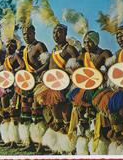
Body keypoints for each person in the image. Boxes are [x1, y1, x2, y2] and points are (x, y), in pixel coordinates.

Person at [67, 30, 112, 155]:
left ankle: (99, 147)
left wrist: (103, 74)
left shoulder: (104, 53)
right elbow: (76, 71)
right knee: (81, 115)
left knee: (99, 116)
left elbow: (111, 70)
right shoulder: (82, 56)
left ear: (96, 42)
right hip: (84, 88)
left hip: (100, 89)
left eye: (90, 42)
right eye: (85, 42)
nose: (87, 44)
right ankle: (82, 148)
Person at [39, 24, 79, 154]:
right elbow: (49, 66)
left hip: (65, 86)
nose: (56, 35)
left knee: (66, 114)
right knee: (56, 117)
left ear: (65, 33)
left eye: (59, 32)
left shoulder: (70, 49)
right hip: (53, 86)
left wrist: (67, 74)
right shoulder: (54, 49)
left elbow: (77, 66)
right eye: (54, 32)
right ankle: (58, 147)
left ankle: (69, 147)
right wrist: (42, 73)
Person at [19, 24, 49, 153]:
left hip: (38, 82)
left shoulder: (39, 46)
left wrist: (36, 72)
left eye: (29, 33)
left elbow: (48, 62)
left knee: (36, 112)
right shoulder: (25, 49)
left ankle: (40, 145)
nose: (26, 36)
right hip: (27, 83)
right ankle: (29, 142)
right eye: (24, 34)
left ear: (34, 32)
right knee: (26, 112)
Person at [0, 39, 25, 148]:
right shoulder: (6, 59)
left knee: (13, 111)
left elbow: (23, 65)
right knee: (5, 111)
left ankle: (14, 140)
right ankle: (8, 139)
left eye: (12, 46)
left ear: (15, 47)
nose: (9, 47)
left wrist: (14, 71)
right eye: (8, 45)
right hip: (6, 85)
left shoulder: (16, 56)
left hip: (15, 84)